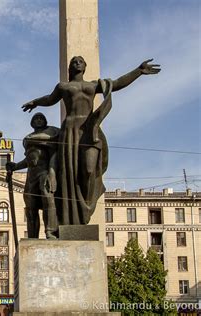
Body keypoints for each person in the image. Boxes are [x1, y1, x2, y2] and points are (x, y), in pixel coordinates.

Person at [22, 57, 160, 226]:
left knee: (88, 170)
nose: (77, 63)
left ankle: (85, 207)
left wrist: (138, 71)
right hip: (70, 131)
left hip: (89, 129)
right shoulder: (63, 86)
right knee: (69, 173)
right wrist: (35, 102)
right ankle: (72, 217)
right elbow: (50, 99)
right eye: (74, 61)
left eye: (81, 61)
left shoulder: (93, 85)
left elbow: (116, 84)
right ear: (70, 67)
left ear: (85, 66)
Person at [7, 112, 59, 239]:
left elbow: (54, 155)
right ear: (32, 123)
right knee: (30, 208)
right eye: (36, 118)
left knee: (48, 201)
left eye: (41, 118)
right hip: (31, 177)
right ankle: (32, 236)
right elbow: (29, 160)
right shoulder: (29, 138)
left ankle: (51, 232)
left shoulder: (50, 134)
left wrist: (51, 174)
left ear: (45, 121)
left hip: (44, 173)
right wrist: (15, 166)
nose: (39, 120)